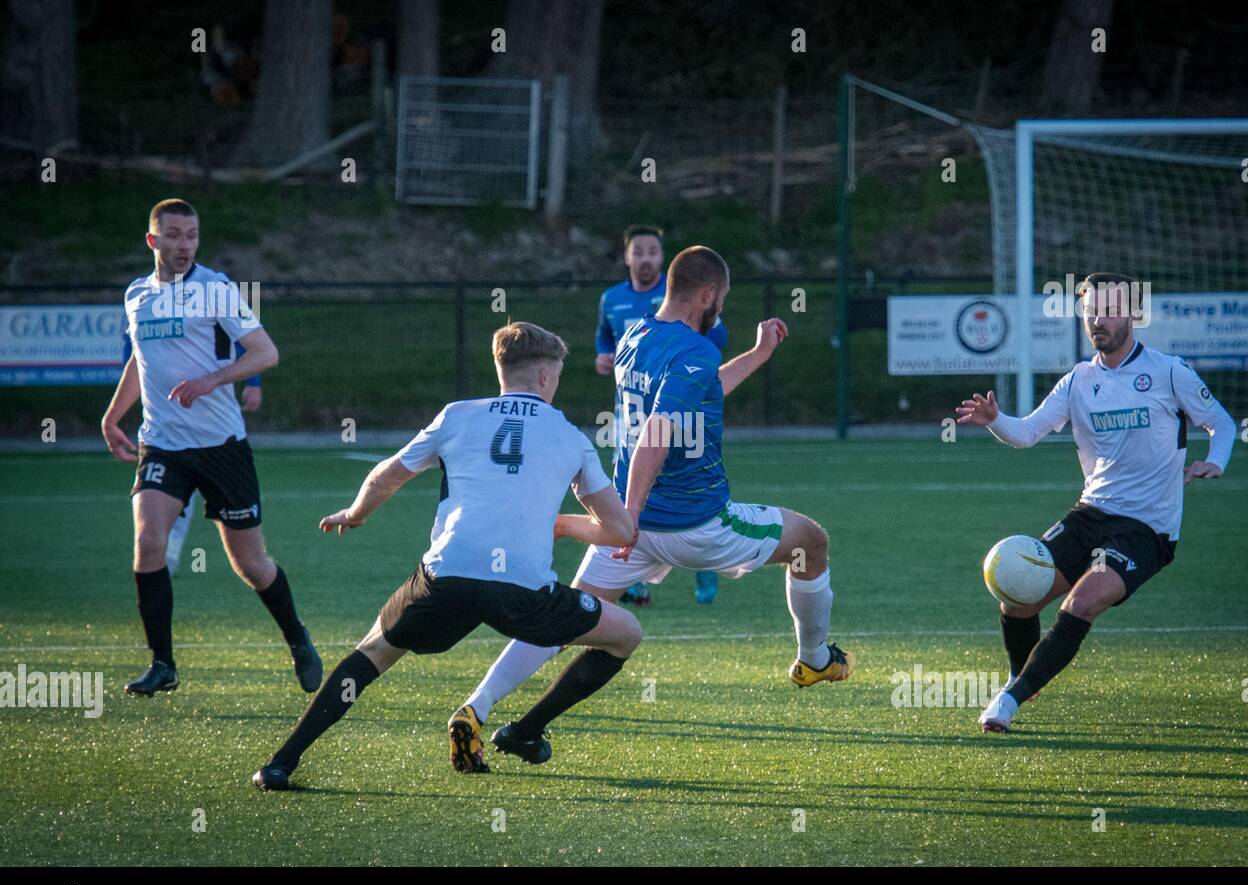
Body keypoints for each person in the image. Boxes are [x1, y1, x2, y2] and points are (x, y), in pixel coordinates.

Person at [453, 246, 854, 770]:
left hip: (625, 522)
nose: (721, 310)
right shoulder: (696, 349)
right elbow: (656, 434)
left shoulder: (634, 336)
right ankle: (814, 660)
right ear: (707, 293)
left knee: (560, 623)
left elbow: (700, 394)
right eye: (721, 299)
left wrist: (757, 356)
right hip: (695, 523)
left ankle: (475, 710)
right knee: (811, 542)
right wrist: (632, 517)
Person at [253, 321, 641, 789]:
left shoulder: (456, 415)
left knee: (373, 651)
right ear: (544, 377)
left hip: (446, 576)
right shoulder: (571, 437)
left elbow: (386, 476)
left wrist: (356, 513)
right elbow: (620, 530)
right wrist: (562, 524)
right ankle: (526, 731)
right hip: (523, 592)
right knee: (624, 635)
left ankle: (279, 764)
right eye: (555, 376)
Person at [957, 273, 1236, 732]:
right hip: (1089, 515)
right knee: (1017, 597)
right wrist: (995, 419)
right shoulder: (1078, 381)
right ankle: (1021, 676)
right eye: (1089, 315)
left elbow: (1221, 423)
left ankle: (1008, 701)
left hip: (1146, 530)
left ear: (1132, 314)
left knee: (1081, 603)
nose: (1097, 323)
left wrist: (1217, 461)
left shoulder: (1170, 372)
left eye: (1107, 312)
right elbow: (1026, 433)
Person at [101, 198, 320, 697]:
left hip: (222, 447)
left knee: (251, 565)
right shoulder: (137, 295)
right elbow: (139, 360)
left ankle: (297, 638)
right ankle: (163, 664)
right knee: (149, 542)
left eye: (193, 235)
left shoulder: (214, 288)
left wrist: (210, 381)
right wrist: (113, 416)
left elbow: (267, 352)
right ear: (153, 241)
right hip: (161, 444)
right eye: (175, 235)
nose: (185, 245)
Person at [596, 224, 728, 606]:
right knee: (634, 482)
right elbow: (604, 338)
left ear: (662, 258)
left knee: (684, 488)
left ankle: (705, 571)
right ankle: (634, 581)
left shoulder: (677, 298)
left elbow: (713, 340)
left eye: (653, 251)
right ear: (627, 256)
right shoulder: (612, 300)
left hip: (682, 413)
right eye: (639, 251)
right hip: (632, 411)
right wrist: (603, 358)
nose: (646, 258)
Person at [120, 334, 264, 576]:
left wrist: (254, 382)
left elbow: (252, 343)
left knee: (250, 560)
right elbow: (134, 348)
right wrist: (129, 399)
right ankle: (169, 551)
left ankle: (276, 597)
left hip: (215, 425)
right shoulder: (143, 298)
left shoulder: (215, 299)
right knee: (166, 493)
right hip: (168, 422)